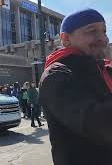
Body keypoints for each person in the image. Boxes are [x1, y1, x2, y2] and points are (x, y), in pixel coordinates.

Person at [39, 9, 111, 164]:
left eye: (104, 31)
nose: (103, 38)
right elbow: (98, 124)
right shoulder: (56, 75)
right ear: (66, 39)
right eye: (92, 31)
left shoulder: (103, 69)